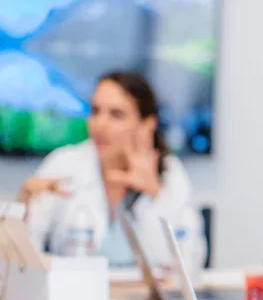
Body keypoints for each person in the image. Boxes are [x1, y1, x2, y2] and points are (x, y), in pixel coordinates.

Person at [19, 71, 205, 269]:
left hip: (144, 299)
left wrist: (155, 194)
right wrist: (24, 202)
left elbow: (191, 262)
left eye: (116, 115)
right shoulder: (65, 164)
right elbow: (24, 257)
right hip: (75, 295)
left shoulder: (170, 173)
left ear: (147, 125)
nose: (100, 124)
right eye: (96, 111)